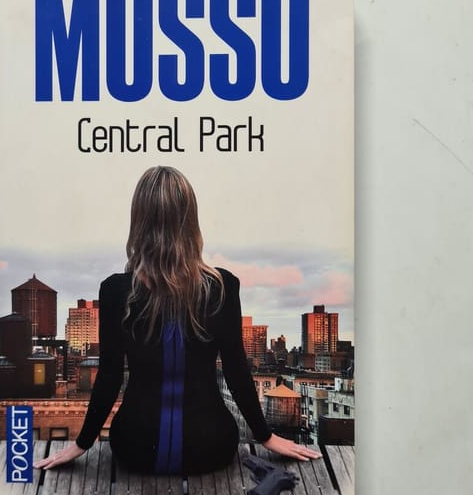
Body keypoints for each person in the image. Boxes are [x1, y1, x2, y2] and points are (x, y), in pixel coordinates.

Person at [34, 166, 320, 474]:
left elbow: (109, 376)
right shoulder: (222, 286)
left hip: (135, 447)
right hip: (210, 447)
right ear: (190, 219)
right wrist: (266, 437)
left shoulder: (115, 290)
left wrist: (82, 443)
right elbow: (236, 370)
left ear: (138, 220)